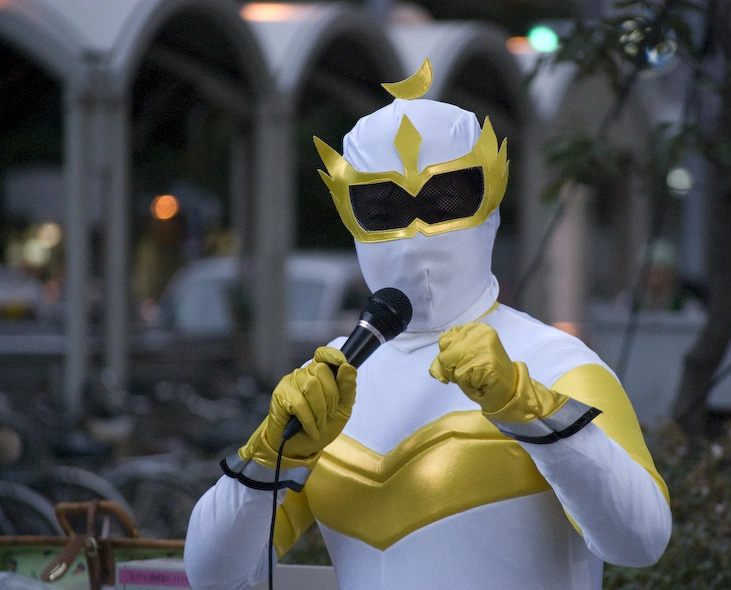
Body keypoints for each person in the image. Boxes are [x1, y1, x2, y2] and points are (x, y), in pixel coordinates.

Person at [184, 59, 671, 590]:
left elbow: (640, 541)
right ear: (352, 218)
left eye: (445, 199)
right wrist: (269, 456)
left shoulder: (557, 364)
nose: (416, 232)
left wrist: (529, 405)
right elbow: (213, 576)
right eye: (384, 207)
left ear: (490, 205)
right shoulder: (328, 381)